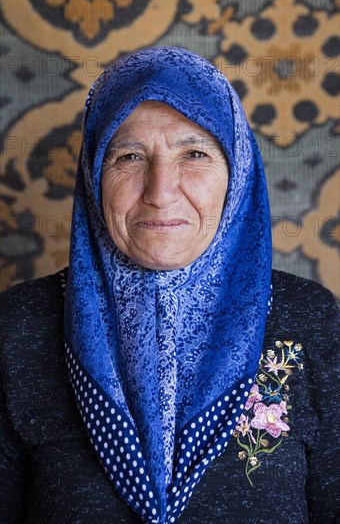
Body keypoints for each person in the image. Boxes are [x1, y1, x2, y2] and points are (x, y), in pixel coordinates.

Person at [0, 47, 339, 524]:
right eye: (129, 156)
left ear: (236, 174)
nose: (160, 190)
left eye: (195, 153)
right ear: (94, 175)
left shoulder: (312, 320)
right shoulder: (19, 325)